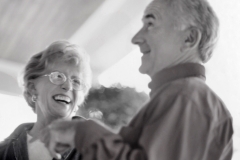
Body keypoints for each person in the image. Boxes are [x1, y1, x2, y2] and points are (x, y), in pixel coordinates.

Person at [40, 0, 233, 159]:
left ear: (190, 38)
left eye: (150, 24)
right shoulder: (189, 98)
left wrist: (82, 133)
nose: (136, 38)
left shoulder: (186, 96)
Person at [0, 40, 92, 160]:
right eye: (58, 76)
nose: (68, 86)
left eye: (76, 81)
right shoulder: (4, 153)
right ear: (33, 88)